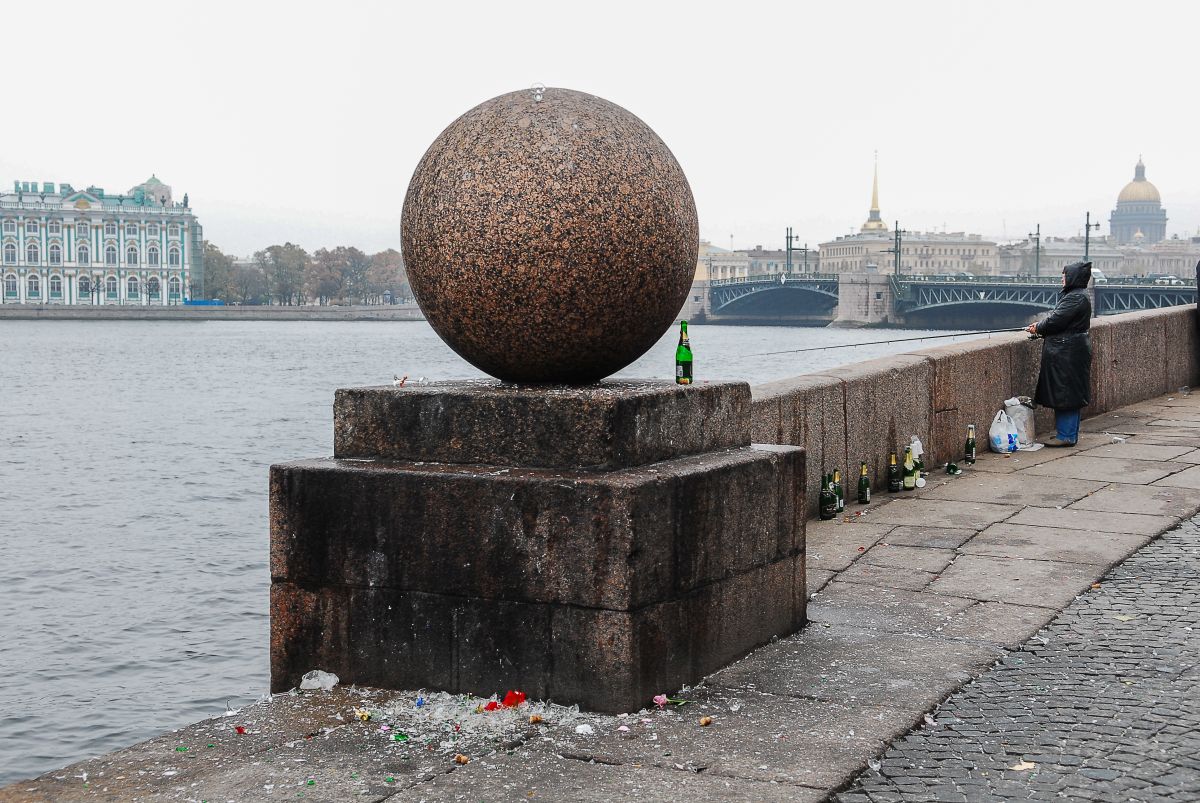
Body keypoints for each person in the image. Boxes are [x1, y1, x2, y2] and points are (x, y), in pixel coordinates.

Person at [1025, 261, 1092, 446]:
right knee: (1069, 392)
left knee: (1066, 394)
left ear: (1073, 278)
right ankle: (1067, 433)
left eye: (1065, 276)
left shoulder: (1075, 297)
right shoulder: (1079, 295)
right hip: (1071, 349)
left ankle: (1066, 436)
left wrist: (1038, 327)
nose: (1062, 279)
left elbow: (1056, 321)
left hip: (1067, 351)